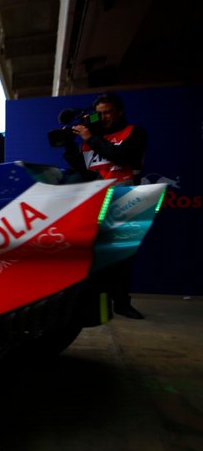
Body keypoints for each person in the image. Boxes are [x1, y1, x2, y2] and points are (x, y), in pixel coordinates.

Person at [72, 93, 147, 319]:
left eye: (109, 112)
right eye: (100, 113)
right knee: (94, 256)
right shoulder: (89, 139)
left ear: (119, 112)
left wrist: (91, 138)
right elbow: (81, 170)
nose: (104, 117)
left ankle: (122, 303)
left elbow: (122, 157)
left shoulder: (134, 132)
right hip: (94, 200)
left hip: (124, 197)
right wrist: (71, 145)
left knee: (123, 256)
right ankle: (96, 304)